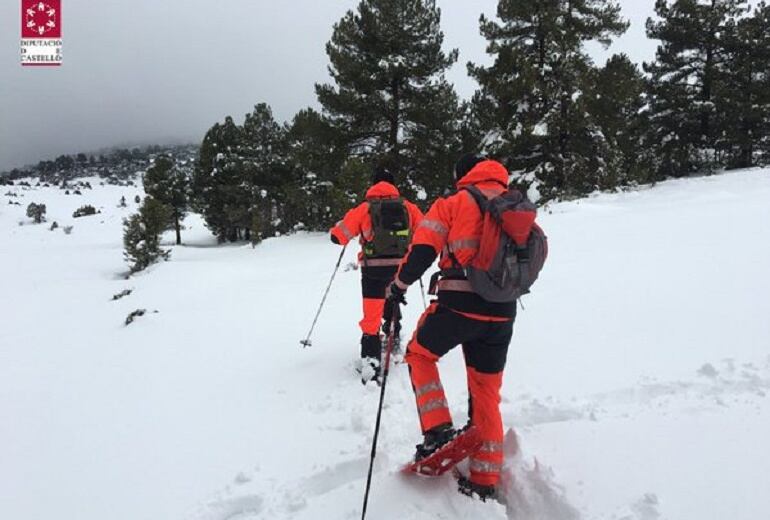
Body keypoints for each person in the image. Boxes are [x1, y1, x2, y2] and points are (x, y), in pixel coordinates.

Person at [386, 154, 535, 500]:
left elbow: (422, 251)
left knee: (419, 354)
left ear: (462, 175)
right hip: (503, 312)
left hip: (458, 306)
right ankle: (483, 481)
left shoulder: (453, 203)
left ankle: (437, 431)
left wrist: (398, 287)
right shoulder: (515, 205)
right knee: (486, 391)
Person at [330, 166, 423, 383]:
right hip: (401, 267)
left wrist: (338, 231)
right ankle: (394, 336)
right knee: (393, 299)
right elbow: (426, 229)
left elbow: (339, 236)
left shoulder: (365, 208)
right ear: (393, 184)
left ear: (373, 184)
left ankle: (371, 361)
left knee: (372, 311)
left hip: (373, 269)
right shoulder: (408, 207)